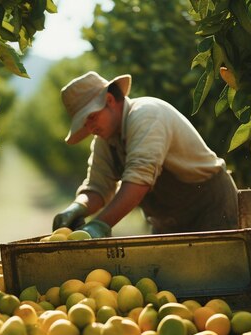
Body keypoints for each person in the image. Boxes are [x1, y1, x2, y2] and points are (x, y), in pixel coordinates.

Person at [52, 71, 239, 238]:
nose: (90, 128)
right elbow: (98, 188)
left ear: (109, 101)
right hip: (167, 222)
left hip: (210, 209)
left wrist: (99, 224)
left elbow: (139, 178)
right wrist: (77, 208)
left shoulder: (147, 114)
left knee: (219, 275)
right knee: (168, 277)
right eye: (85, 124)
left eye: (91, 118)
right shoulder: (105, 141)